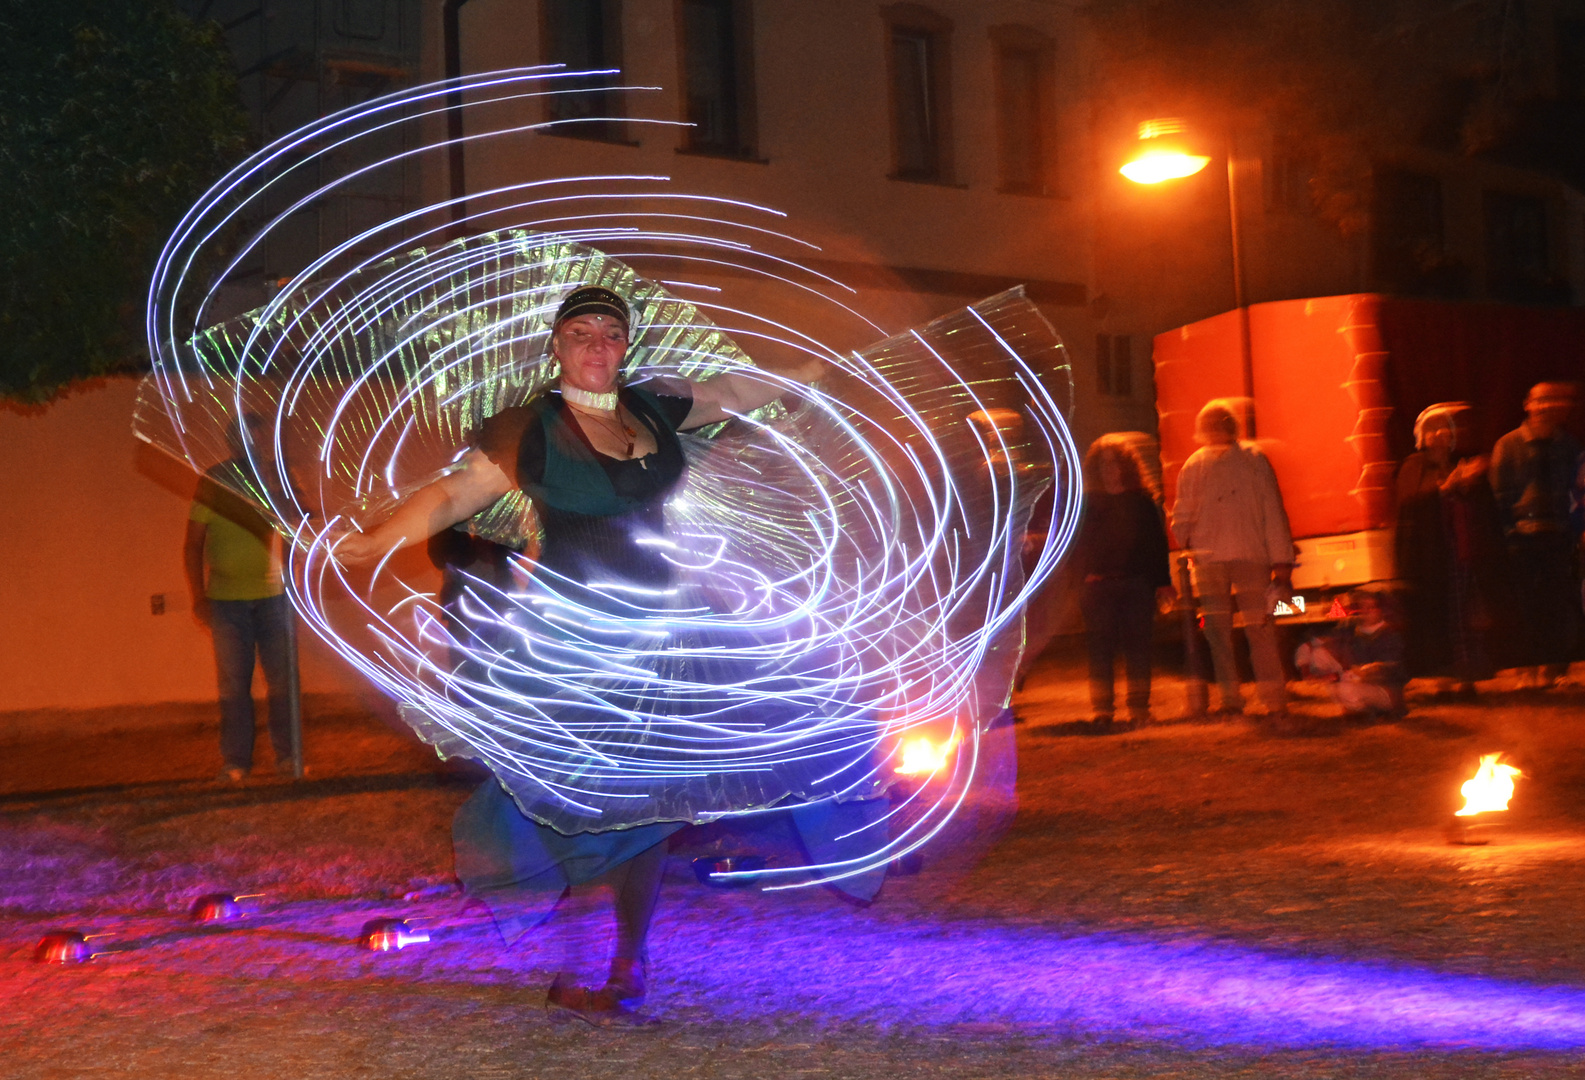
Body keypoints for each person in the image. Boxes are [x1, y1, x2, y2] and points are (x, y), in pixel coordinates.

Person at [335, 285, 827, 1025]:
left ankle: (628, 961)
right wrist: (372, 541)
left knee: (651, 802)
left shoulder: (654, 407)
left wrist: (815, 368)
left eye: (610, 333)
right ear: (556, 346)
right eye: (580, 332)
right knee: (581, 800)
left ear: (624, 346)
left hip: (668, 632)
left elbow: (731, 391)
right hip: (577, 635)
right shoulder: (530, 428)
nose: (597, 345)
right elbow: (450, 496)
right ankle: (575, 921)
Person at [184, 412, 300, 782]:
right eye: (246, 439)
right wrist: (198, 595)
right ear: (232, 442)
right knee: (234, 685)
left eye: (259, 440)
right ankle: (236, 761)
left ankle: (289, 756)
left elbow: (300, 528)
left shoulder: (277, 479)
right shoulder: (214, 481)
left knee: (283, 682)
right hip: (226, 600)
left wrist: (284, 490)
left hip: (274, 596)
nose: (254, 447)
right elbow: (193, 543)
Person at [1170, 400, 1295, 718]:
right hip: (1209, 559)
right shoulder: (1194, 465)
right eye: (1210, 424)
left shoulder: (1254, 461)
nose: (1214, 429)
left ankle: (1273, 697)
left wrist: (1281, 560)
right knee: (1217, 632)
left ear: (1229, 426)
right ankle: (1230, 698)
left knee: (1260, 628)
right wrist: (1184, 537)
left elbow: (1272, 511)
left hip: (1250, 555)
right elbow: (1182, 509)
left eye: (1219, 423)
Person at [1393, 403, 1502, 697]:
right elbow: (1408, 506)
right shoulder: (1413, 467)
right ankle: (1441, 679)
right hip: (1429, 560)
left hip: (1464, 556)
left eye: (1444, 429)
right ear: (1421, 436)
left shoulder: (1462, 465)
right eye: (1431, 429)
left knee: (1465, 616)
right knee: (1437, 620)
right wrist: (1444, 489)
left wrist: (1467, 487)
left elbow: (1485, 510)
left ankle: (1468, 677)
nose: (1438, 434)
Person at [1071, 435, 1173, 729]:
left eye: (1114, 464)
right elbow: (1077, 546)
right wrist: (1083, 577)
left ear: (1125, 467)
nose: (1109, 470)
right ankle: (1103, 709)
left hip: (1136, 585)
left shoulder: (1141, 503)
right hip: (1098, 587)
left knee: (1138, 648)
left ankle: (1139, 707)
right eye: (1103, 465)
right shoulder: (1088, 505)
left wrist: (1162, 583)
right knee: (1100, 648)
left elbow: (1156, 546)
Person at [1489, 382, 1584, 688]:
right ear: (1527, 404)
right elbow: (1498, 495)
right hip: (1521, 537)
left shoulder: (1569, 446)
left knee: (1559, 605)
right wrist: (1507, 533)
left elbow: (1577, 492)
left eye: (1554, 400)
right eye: (1540, 400)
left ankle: (1555, 670)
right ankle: (1527, 671)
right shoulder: (1508, 444)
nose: (1547, 406)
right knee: (1524, 607)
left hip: (1560, 536)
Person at [1294, 591, 1407, 719]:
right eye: (1362, 606)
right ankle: (1354, 707)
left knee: (1346, 689)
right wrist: (1306, 670)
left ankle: (1373, 711)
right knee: (1318, 653)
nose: (1366, 611)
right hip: (1351, 679)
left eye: (1372, 607)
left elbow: (1390, 669)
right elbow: (1318, 642)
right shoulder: (1351, 627)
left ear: (1381, 610)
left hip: (1382, 689)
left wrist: (1363, 672)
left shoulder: (1390, 634)